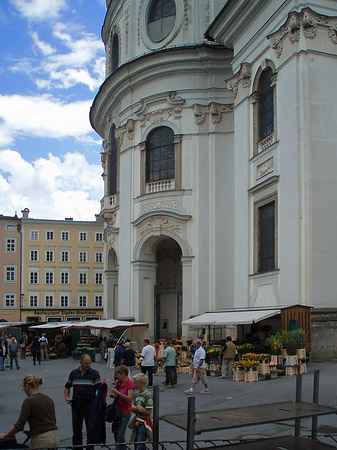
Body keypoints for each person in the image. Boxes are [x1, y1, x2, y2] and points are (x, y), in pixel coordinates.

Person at [0, 374, 59, 449]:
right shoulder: (48, 398)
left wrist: (5, 435)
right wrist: (32, 431)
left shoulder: (28, 401)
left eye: (23, 388)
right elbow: (52, 420)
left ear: (27, 386)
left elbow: (19, 425)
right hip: (55, 436)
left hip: (42, 439)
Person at [64, 354, 102, 448]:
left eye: (89, 363)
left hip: (90, 406)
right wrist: (66, 397)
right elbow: (67, 386)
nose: (88, 365)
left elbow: (100, 389)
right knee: (76, 429)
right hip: (76, 405)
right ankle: (77, 447)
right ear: (81, 363)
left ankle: (90, 448)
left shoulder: (94, 374)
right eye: (86, 363)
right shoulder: (74, 373)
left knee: (90, 429)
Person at [108, 365, 134, 450]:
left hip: (125, 412)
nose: (116, 376)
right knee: (116, 433)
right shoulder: (118, 383)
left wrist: (118, 394)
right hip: (117, 411)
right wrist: (113, 394)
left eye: (117, 375)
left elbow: (129, 398)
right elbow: (116, 394)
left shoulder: (130, 384)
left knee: (120, 434)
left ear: (123, 374)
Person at [130, 373, 153, 450]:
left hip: (144, 421)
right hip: (137, 420)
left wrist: (137, 408)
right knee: (136, 441)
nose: (134, 384)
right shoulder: (136, 394)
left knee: (140, 442)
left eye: (135, 383)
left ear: (142, 383)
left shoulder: (148, 395)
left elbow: (148, 412)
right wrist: (137, 408)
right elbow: (132, 407)